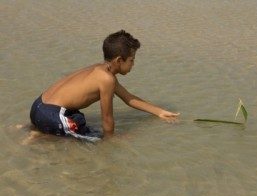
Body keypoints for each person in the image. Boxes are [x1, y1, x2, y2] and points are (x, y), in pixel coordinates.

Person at [30, 30, 180, 141]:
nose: (133, 64)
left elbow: (128, 98)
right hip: (50, 115)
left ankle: (37, 130)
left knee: (78, 119)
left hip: (38, 106)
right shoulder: (106, 79)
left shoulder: (101, 70)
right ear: (119, 60)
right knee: (93, 139)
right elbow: (107, 119)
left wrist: (159, 112)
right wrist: (109, 140)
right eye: (132, 60)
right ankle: (42, 136)